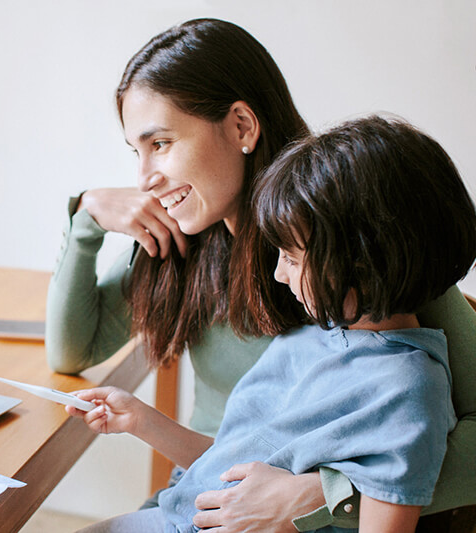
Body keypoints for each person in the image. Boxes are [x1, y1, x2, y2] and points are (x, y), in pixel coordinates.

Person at [46, 18, 476, 530]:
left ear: (242, 127)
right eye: (135, 151)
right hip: (200, 493)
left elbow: (427, 432)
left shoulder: (356, 233)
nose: (144, 178)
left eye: (160, 143)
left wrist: (321, 494)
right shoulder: (179, 237)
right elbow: (70, 353)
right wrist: (87, 215)